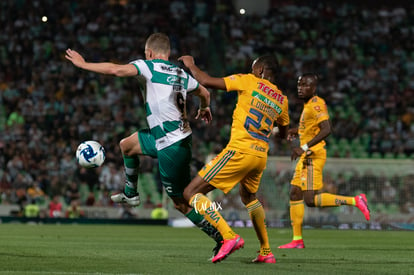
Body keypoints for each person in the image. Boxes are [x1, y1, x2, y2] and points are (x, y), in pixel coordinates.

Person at [65, 32, 223, 254]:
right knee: (127, 145)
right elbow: (205, 92)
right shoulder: (180, 73)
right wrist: (205, 107)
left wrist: (83, 65)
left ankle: (221, 236)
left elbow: (115, 70)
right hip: (165, 137)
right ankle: (131, 194)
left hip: (171, 144)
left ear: (149, 53)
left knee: (180, 202)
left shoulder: (149, 66)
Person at [179, 54, 290, 263]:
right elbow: (283, 134)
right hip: (260, 156)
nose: (251, 70)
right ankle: (266, 252)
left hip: (240, 151)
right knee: (249, 198)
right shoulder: (282, 100)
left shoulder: (249, 81)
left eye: (253, 67)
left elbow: (205, 80)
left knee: (190, 192)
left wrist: (191, 64)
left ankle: (229, 236)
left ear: (259, 70)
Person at [278, 73, 370, 249]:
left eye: (305, 85)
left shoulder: (316, 104)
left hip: (313, 155)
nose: (300, 87)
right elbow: (310, 128)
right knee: (294, 193)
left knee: (310, 200)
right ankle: (297, 240)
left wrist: (303, 148)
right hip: (306, 156)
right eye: (299, 84)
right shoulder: (308, 106)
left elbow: (327, 129)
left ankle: (355, 201)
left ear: (314, 88)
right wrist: (296, 131)